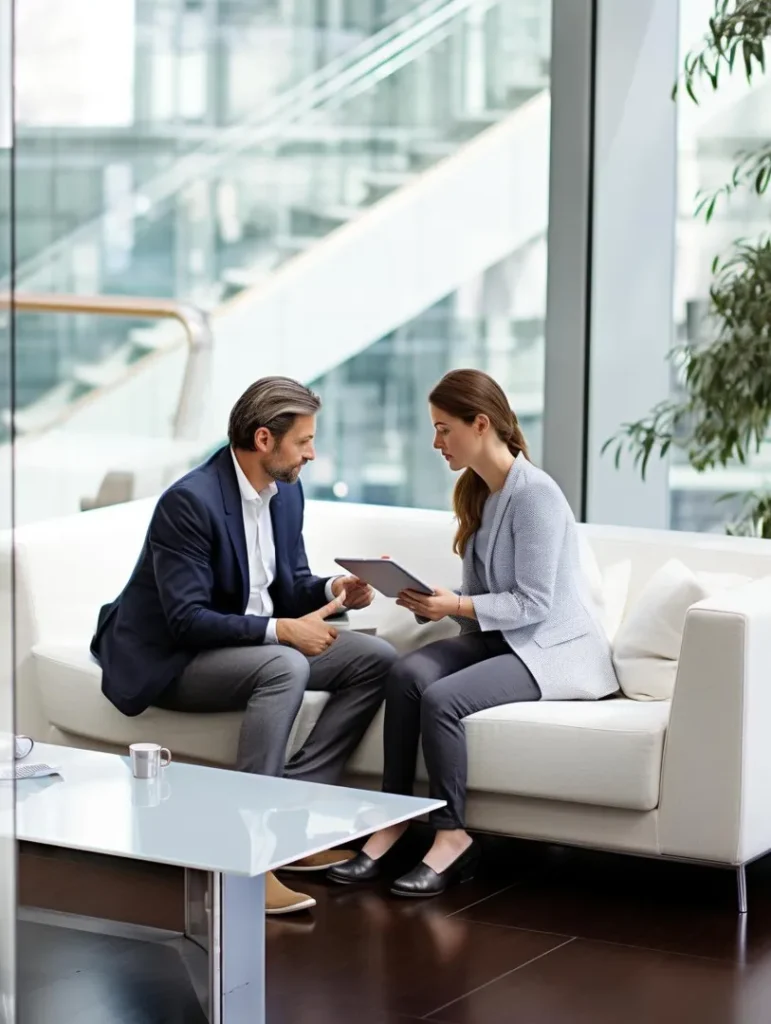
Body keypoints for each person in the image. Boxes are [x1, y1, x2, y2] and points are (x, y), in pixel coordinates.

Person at [91, 376, 397, 914]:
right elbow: (187, 620)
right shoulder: (190, 502)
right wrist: (283, 631)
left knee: (376, 661)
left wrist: (334, 589)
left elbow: (289, 583)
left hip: (247, 647)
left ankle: (290, 818)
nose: (311, 453)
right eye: (303, 441)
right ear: (263, 439)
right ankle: (248, 851)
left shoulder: (286, 491)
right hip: (175, 657)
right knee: (284, 665)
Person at [328, 369, 619, 897]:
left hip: (550, 648)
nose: (436, 442)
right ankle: (395, 818)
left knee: (442, 698)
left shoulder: (536, 496)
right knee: (407, 673)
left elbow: (533, 603)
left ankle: (452, 837)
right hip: (506, 638)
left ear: (480, 424)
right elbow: (480, 599)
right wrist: (429, 604)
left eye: (444, 429)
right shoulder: (480, 491)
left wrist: (457, 604)